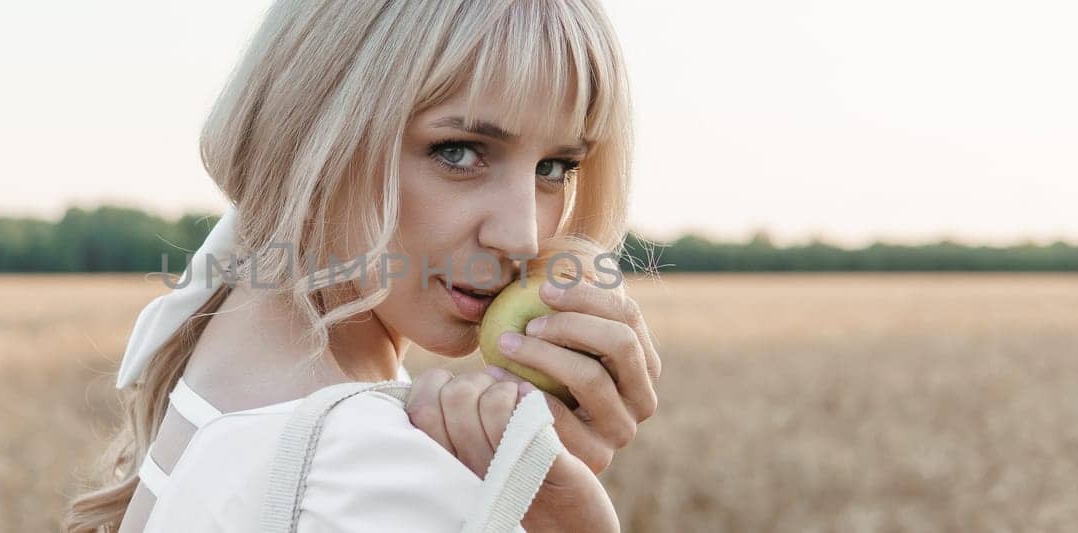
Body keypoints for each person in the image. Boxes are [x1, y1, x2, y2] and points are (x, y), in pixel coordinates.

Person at [64, 0, 660, 531]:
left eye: (555, 168)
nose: (524, 236)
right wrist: (569, 520)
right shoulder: (375, 475)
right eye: (458, 152)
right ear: (315, 134)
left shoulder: (223, 337)